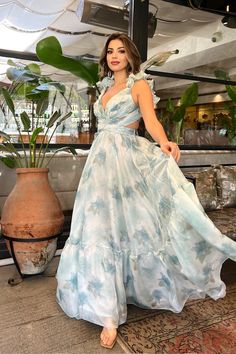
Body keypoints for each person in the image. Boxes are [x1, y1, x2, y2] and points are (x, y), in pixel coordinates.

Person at [56, 32, 236, 349]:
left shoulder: (138, 85)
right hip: (99, 165)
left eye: (120, 51)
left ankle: (112, 314)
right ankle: (104, 306)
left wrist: (165, 141)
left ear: (130, 56)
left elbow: (150, 121)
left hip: (125, 162)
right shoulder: (104, 88)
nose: (114, 56)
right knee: (98, 230)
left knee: (125, 228)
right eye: (110, 51)